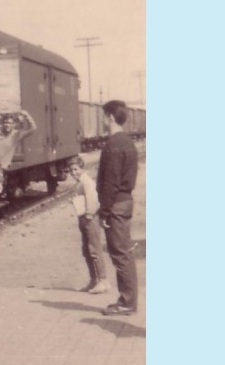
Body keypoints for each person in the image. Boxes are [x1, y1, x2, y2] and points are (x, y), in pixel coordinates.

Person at [96, 100, 139, 316]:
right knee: (124, 252)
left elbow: (110, 181)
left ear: (110, 117)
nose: (103, 120)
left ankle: (128, 302)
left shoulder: (114, 143)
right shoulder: (127, 142)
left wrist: (103, 212)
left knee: (121, 253)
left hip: (116, 205)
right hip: (124, 202)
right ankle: (127, 300)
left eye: (104, 116)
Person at [68, 156, 111, 295]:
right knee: (87, 249)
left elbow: (94, 200)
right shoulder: (80, 182)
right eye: (71, 170)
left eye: (76, 169)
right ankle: (94, 279)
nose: (73, 173)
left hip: (89, 218)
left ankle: (103, 281)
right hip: (84, 218)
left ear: (82, 168)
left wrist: (89, 214)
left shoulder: (87, 182)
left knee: (94, 249)